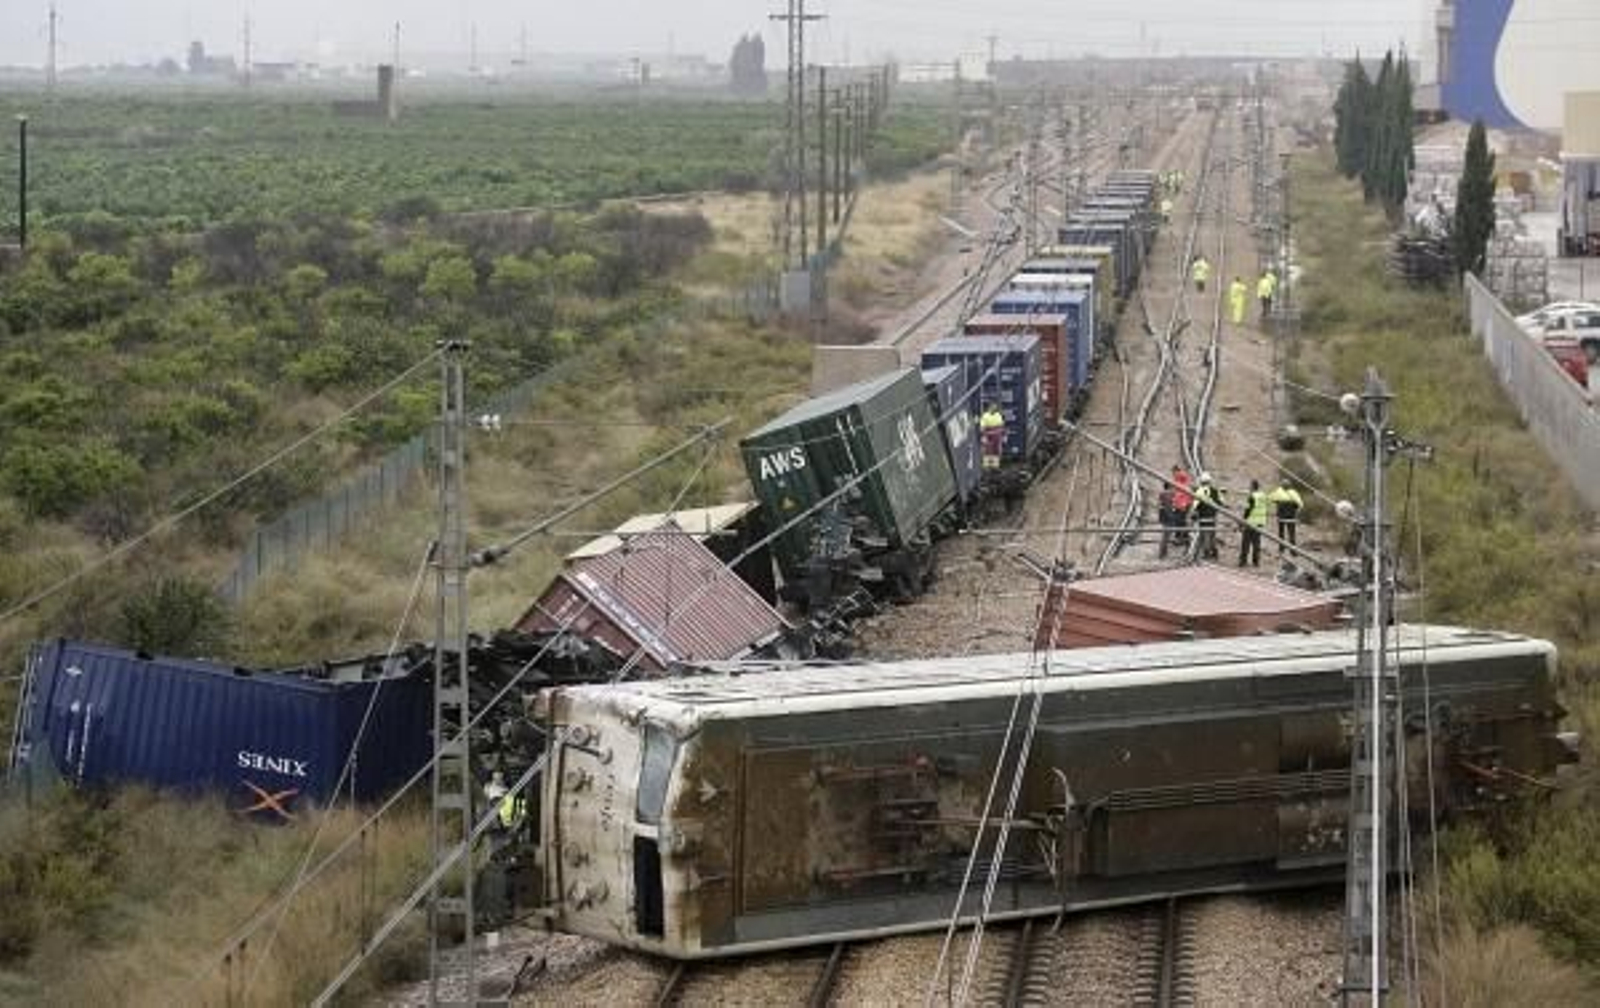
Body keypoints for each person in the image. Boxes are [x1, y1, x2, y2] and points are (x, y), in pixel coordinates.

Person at [1191, 472, 1223, 560]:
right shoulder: (1215, 491)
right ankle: (1214, 552)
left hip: (1203, 517)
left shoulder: (1200, 491)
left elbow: (1195, 505)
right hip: (1213, 517)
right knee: (1212, 534)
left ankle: (1207, 553)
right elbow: (1221, 503)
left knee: (1205, 535)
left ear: (1201, 481)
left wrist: (1193, 514)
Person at [1238, 479, 1269, 568]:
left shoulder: (1252, 496)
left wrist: (1242, 521)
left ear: (1253, 486)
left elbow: (1248, 510)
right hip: (1260, 522)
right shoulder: (1263, 495)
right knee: (1256, 543)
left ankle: (1243, 561)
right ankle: (1256, 562)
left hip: (1251, 521)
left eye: (1250, 485)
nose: (1249, 487)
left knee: (1246, 542)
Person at [1268, 479, 1305, 553]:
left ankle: (1281, 549)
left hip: (1281, 516)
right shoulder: (1294, 493)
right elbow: (1300, 504)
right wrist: (1297, 512)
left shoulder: (1278, 492)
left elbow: (1270, 498)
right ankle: (1293, 550)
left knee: (1281, 533)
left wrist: (1275, 503)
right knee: (1291, 533)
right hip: (1291, 516)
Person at [1170, 465, 1194, 547]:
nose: (1173, 475)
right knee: (1179, 521)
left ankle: (1182, 537)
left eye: (1174, 473)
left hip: (1182, 505)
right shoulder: (1178, 481)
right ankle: (1182, 537)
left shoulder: (1182, 480)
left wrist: (1183, 504)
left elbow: (1184, 495)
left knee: (1180, 521)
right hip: (1179, 505)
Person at [980, 403, 1006, 470]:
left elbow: (1002, 426)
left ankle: (995, 466)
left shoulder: (998, 415)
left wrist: (1003, 436)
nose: (994, 408)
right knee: (988, 451)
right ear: (989, 408)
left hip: (997, 437)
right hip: (989, 437)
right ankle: (986, 466)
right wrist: (984, 436)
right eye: (992, 407)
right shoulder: (985, 416)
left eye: (995, 407)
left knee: (997, 451)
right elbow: (982, 428)